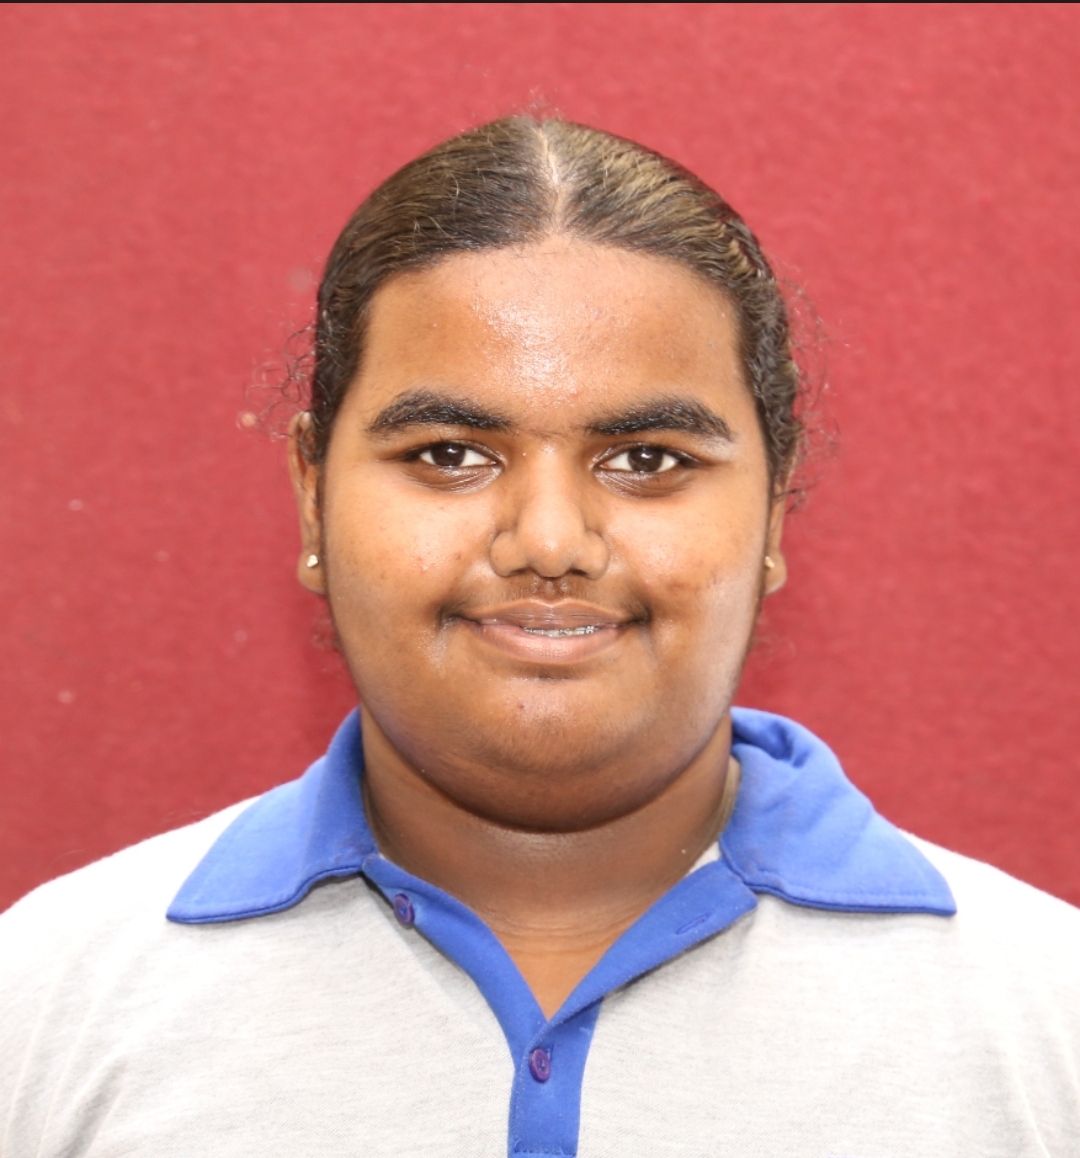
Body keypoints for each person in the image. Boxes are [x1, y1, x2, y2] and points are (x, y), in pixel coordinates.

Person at [1, 116, 1078, 1158]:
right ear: (313, 498)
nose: (551, 541)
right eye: (449, 454)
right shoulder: (48, 1006)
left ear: (774, 513)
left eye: (647, 460)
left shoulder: (1044, 1026)